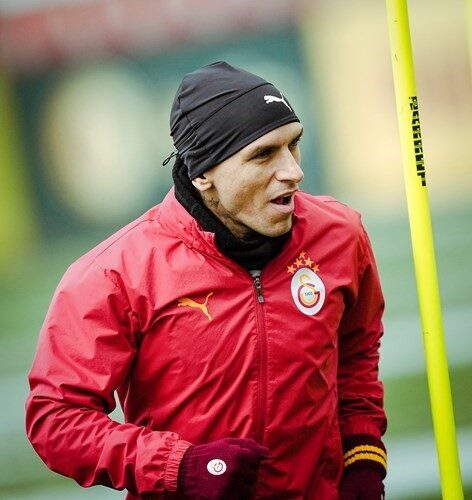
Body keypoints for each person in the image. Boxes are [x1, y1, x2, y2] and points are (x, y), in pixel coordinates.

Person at [26, 61, 387, 499]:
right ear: (202, 173)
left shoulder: (340, 234)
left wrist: (363, 453)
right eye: (263, 154)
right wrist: (179, 466)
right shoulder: (113, 274)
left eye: (294, 145)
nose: (293, 171)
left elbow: (355, 355)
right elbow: (57, 418)